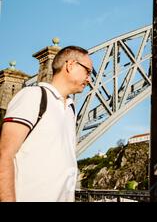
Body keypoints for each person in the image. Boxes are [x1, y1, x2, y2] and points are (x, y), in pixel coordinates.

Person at [0, 46, 93, 202]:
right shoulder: (33, 96)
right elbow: (5, 154)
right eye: (87, 71)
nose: (89, 79)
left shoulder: (70, 109)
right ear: (70, 65)